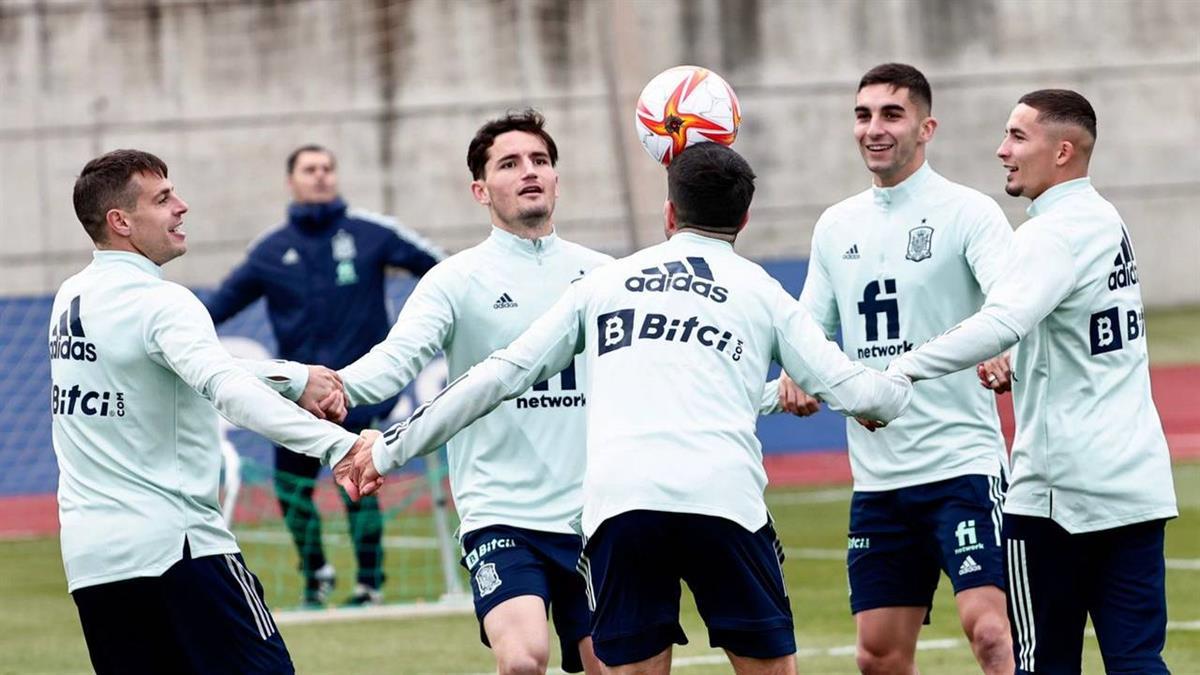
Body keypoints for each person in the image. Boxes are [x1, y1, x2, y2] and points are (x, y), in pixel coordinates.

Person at [353, 142, 914, 675]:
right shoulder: (760, 289)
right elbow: (861, 393)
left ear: (670, 213)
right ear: (743, 222)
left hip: (622, 505)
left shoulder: (606, 282)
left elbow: (498, 375)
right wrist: (903, 382)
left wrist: (387, 447)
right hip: (723, 501)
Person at [886, 89, 1178, 674]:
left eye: (1018, 137)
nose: (1002, 150)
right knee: (1138, 659)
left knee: (1044, 663)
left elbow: (1001, 321)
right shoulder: (1105, 219)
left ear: (1062, 151)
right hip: (1137, 483)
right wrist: (1022, 361)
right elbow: (1078, 328)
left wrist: (902, 369)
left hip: (1059, 495)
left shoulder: (1049, 233)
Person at [51, 149, 374, 674]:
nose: (182, 206)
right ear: (121, 221)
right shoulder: (164, 302)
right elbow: (222, 385)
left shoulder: (72, 296)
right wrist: (340, 445)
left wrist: (294, 378)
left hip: (94, 562)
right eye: (162, 198)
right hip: (179, 552)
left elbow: (175, 369)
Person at [323, 110, 612, 675]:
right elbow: (392, 364)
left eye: (541, 161)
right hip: (500, 510)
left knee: (611, 666)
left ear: (556, 178)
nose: (529, 172)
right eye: (510, 164)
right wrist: (333, 386)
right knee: (523, 660)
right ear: (480, 189)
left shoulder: (604, 275)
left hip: (595, 513)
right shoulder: (456, 279)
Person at [775, 63, 1014, 673]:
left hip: (962, 464)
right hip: (879, 481)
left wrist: (1003, 346)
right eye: (863, 115)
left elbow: (1013, 302)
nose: (873, 129)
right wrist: (796, 372)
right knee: (877, 657)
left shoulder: (969, 212)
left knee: (992, 635)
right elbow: (808, 330)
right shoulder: (836, 225)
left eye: (891, 114)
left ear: (926, 127)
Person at [204, 144, 444, 607]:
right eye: (309, 169)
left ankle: (369, 584)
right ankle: (316, 573)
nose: (320, 176)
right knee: (291, 494)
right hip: (299, 398)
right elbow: (215, 308)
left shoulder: (371, 233)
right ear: (291, 181)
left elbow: (445, 273)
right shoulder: (270, 251)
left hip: (363, 392)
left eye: (327, 168)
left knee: (361, 486)